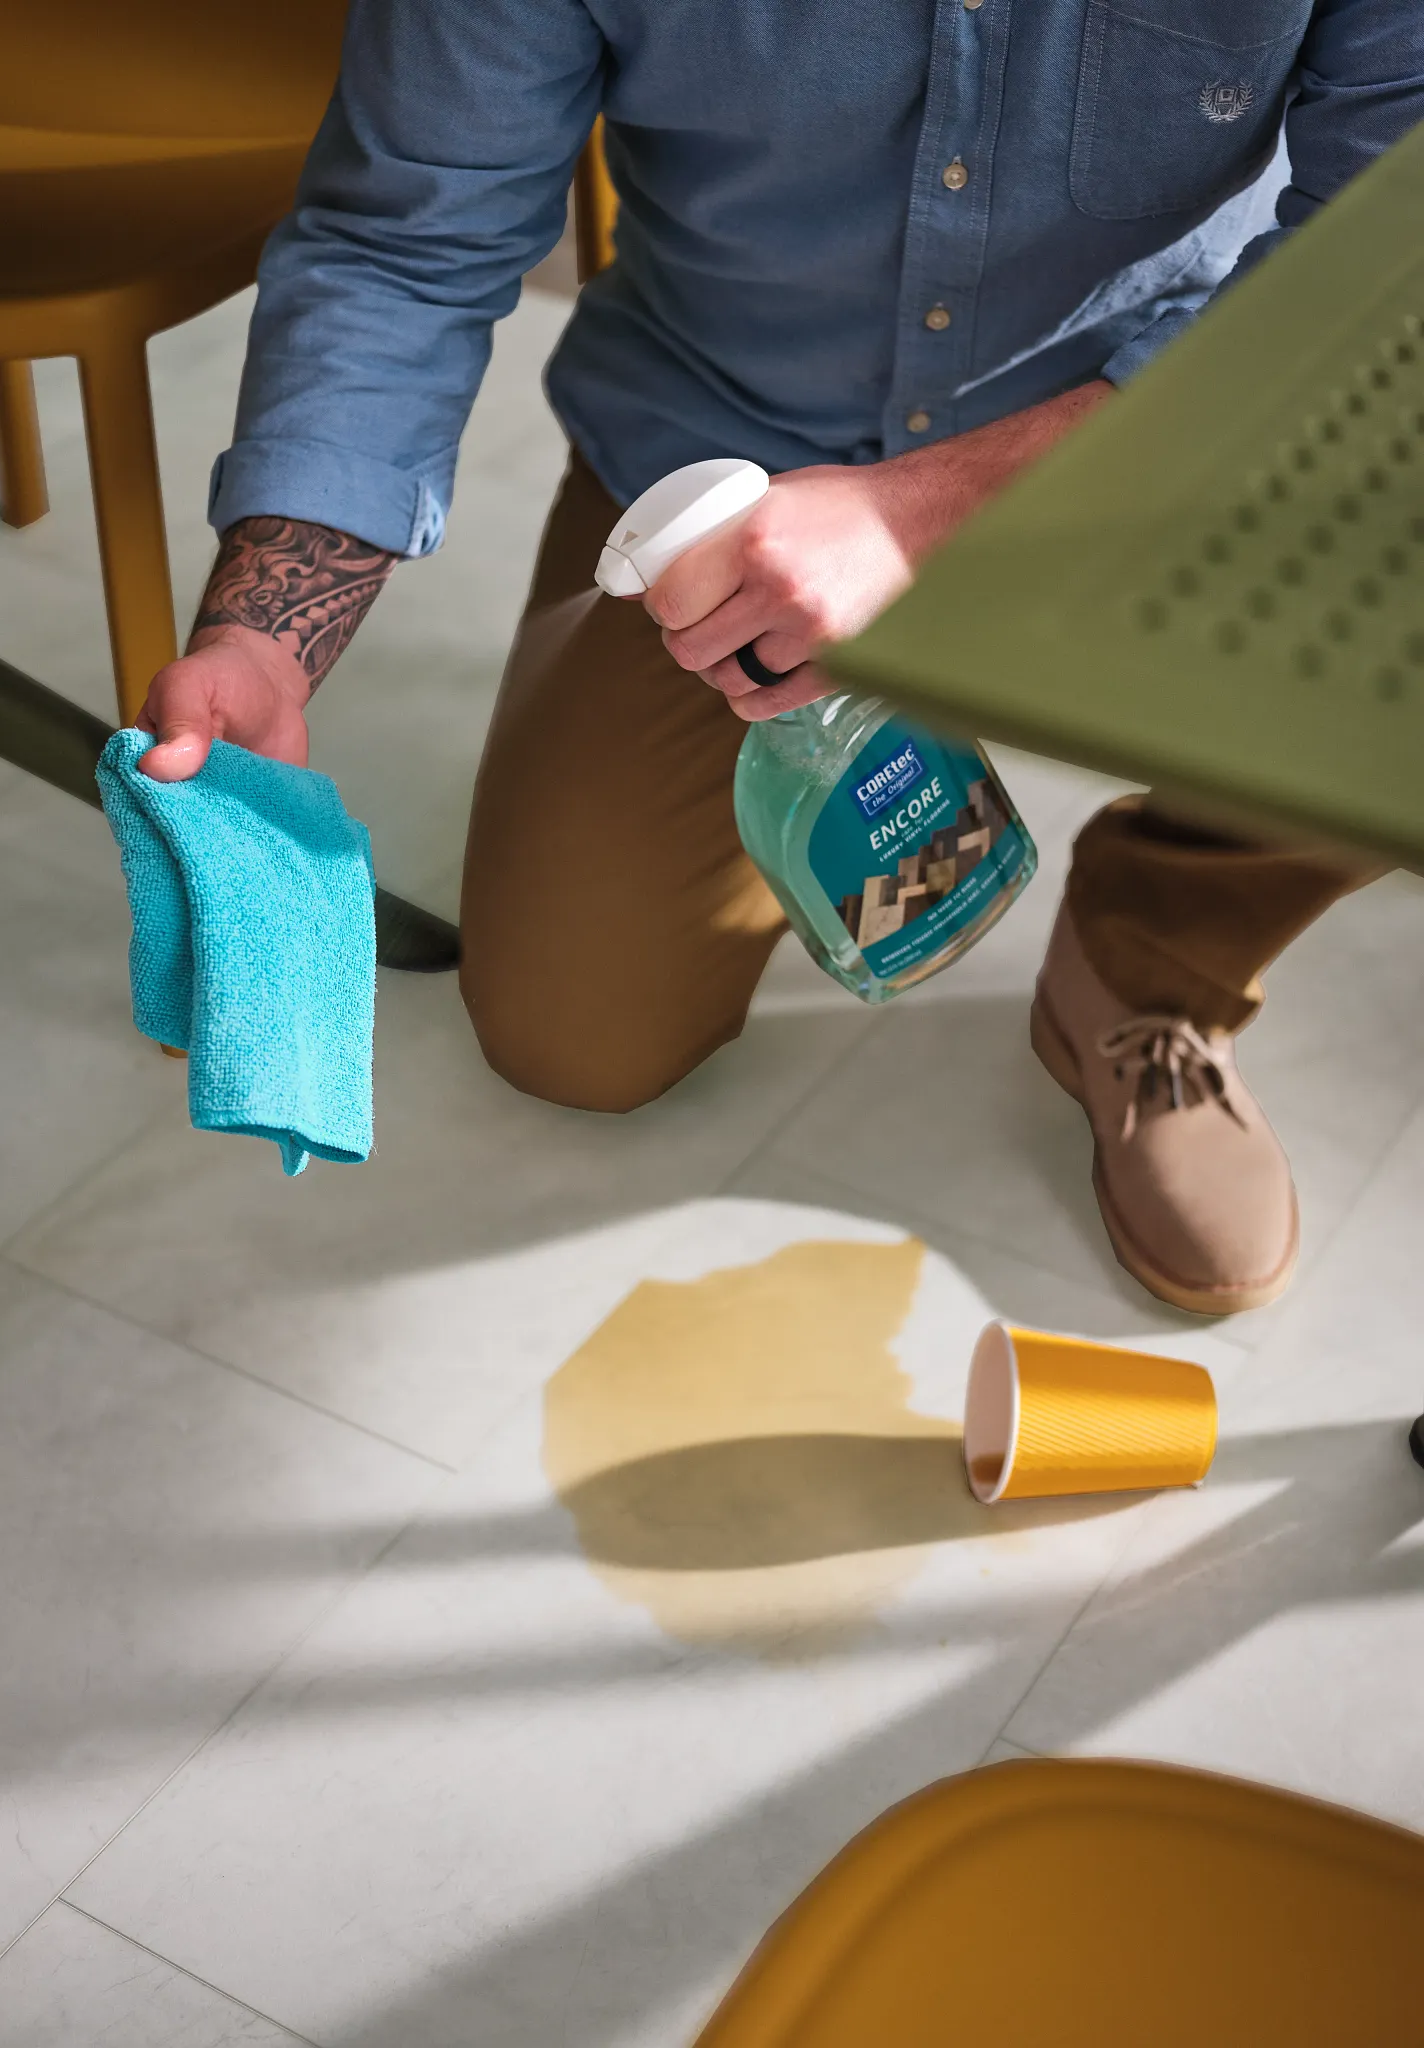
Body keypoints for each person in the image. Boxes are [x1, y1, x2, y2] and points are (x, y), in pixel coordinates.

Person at [135, 0, 1422, 1315]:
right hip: (730, 465)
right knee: (578, 1035)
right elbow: (407, 241)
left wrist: (919, 514)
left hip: (1170, 442)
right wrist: (266, 634)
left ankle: (1159, 946)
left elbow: (1397, 243)